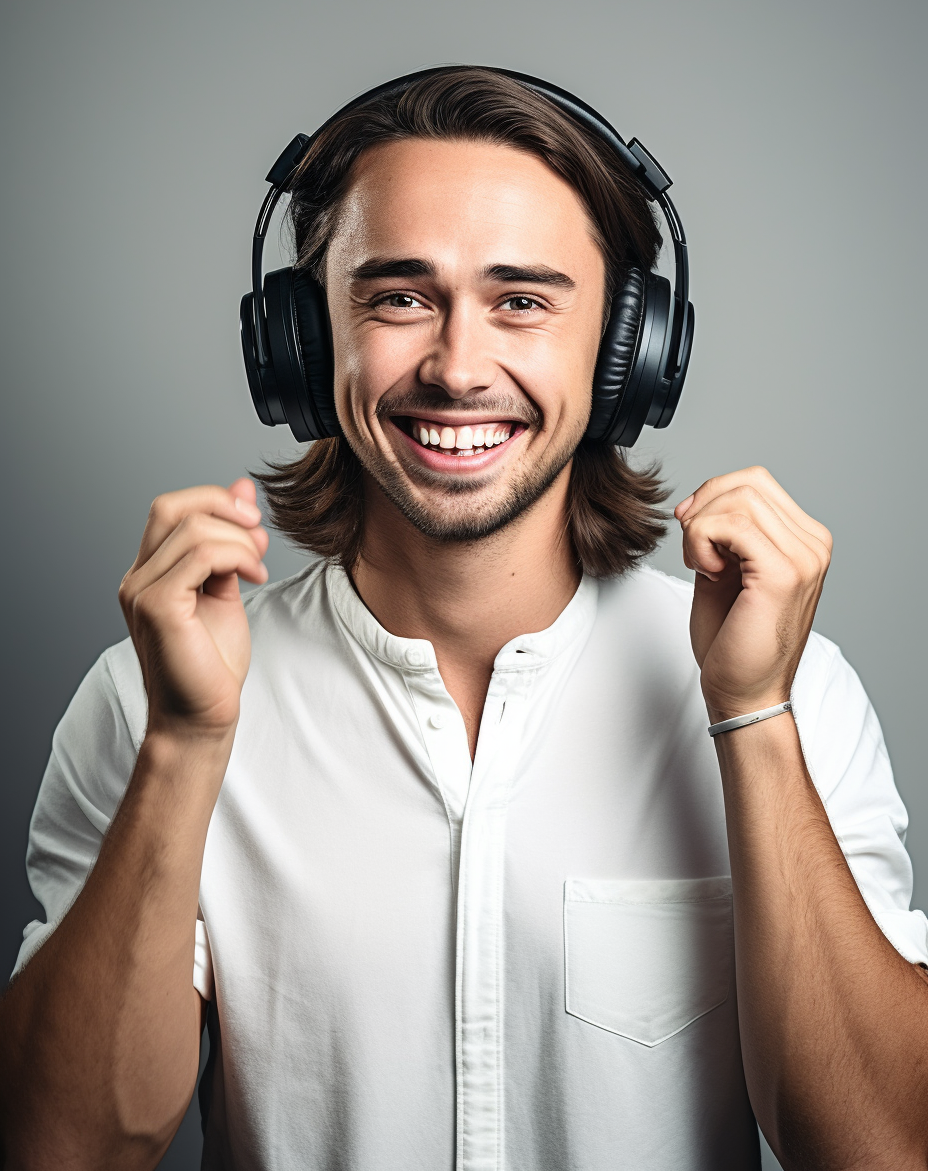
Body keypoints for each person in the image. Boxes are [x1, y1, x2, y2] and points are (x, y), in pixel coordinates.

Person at [1, 67, 927, 1171]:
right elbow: (58, 1146)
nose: (455, 366)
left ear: (629, 353)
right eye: (399, 296)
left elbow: (878, 1148)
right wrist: (182, 747)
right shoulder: (148, 699)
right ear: (299, 341)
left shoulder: (791, 688)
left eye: (522, 300)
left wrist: (752, 717)